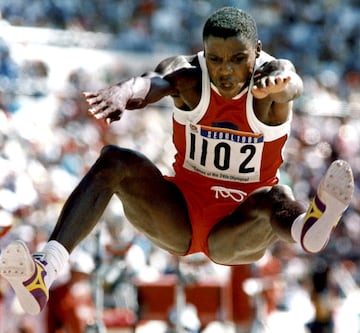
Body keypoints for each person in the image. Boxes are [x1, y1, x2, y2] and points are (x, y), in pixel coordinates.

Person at [0, 7, 354, 316]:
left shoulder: (272, 79)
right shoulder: (188, 77)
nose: (225, 71)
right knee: (114, 160)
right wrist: (124, 91)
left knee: (272, 197)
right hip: (180, 216)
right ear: (204, 54)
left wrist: (280, 83)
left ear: (256, 53)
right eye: (215, 59)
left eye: (237, 59)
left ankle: (307, 227)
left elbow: (292, 83)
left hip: (236, 226)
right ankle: (44, 271)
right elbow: (151, 82)